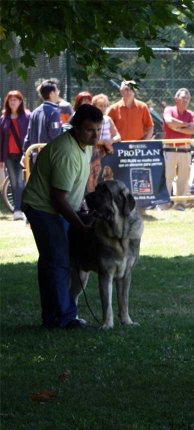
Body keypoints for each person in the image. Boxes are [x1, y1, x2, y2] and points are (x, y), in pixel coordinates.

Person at [21, 103, 104, 330]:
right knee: (57, 262)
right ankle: (62, 319)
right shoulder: (67, 152)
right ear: (75, 128)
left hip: (56, 207)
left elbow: (73, 188)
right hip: (43, 209)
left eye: (99, 128)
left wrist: (83, 208)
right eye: (90, 129)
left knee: (56, 261)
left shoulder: (85, 146)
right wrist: (79, 224)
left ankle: (56, 315)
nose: (95, 134)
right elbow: (58, 198)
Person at [162, 88, 194, 211]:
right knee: (167, 176)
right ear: (176, 99)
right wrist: (186, 124)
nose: (185, 100)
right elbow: (169, 121)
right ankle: (163, 204)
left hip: (185, 147)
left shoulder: (191, 114)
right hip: (169, 147)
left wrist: (178, 128)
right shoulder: (169, 110)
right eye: (183, 98)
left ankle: (180, 205)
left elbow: (193, 130)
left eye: (187, 98)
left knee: (184, 177)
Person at [0, 90, 31, 220]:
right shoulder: (3, 118)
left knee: (20, 181)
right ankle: (18, 209)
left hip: (22, 154)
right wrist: (1, 158)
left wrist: (28, 152)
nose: (12, 102)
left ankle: (18, 209)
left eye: (15, 100)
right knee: (13, 182)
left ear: (20, 101)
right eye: (10, 100)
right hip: (9, 155)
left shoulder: (27, 116)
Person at [22, 80, 62, 165]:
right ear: (51, 93)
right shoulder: (53, 113)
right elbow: (56, 136)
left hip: (35, 156)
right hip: (50, 157)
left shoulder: (35, 112)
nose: (58, 94)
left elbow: (28, 136)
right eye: (57, 91)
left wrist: (25, 154)